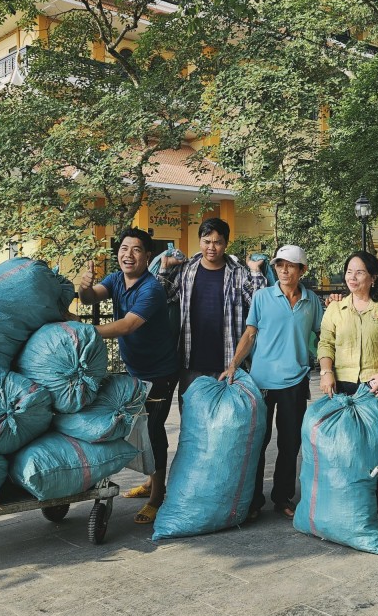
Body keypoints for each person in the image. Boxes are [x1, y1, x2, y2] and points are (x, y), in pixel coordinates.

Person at [77, 228, 180, 524]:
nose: (128, 254)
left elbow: (126, 326)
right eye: (124, 248)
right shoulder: (115, 279)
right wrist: (85, 286)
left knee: (154, 431)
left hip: (160, 373)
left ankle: (157, 497)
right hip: (135, 370)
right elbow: (89, 299)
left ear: (148, 256)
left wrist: (84, 331)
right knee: (140, 428)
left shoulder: (151, 289)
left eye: (136, 250)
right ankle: (151, 482)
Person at [220, 245, 324, 520]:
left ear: (302, 270)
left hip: (296, 381)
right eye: (279, 265)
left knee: (290, 444)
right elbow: (250, 334)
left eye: (290, 265)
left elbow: (323, 336)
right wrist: (233, 365)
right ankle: (253, 500)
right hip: (262, 381)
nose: (284, 270)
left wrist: (330, 371)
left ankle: (282, 497)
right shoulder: (262, 297)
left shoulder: (312, 301)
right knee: (258, 442)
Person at [317, 250, 378, 542]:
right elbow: (325, 344)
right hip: (342, 387)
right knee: (345, 449)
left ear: (373, 277)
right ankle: (346, 505)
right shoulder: (335, 308)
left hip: (376, 388)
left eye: (359, 272)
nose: (352, 278)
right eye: (348, 272)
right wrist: (326, 372)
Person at [157, 217, 266, 395]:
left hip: (228, 363)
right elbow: (162, 297)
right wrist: (164, 267)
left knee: (226, 420)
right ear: (199, 240)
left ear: (226, 244)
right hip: (190, 360)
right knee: (192, 419)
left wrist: (255, 270)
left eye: (217, 242)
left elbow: (260, 303)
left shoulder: (238, 273)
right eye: (206, 241)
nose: (211, 247)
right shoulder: (186, 269)